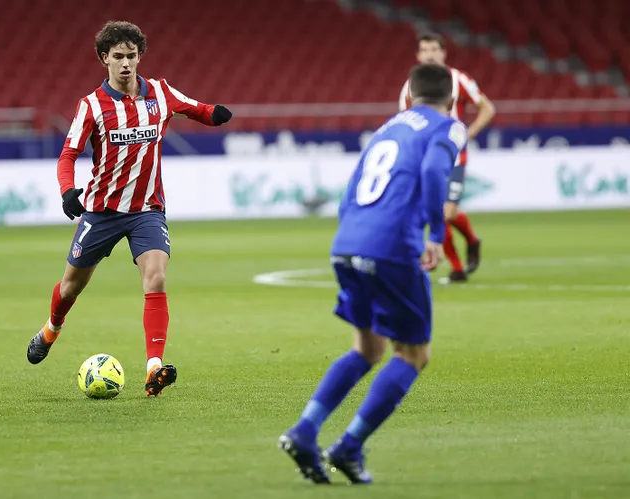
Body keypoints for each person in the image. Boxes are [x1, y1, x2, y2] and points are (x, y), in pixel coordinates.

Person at [278, 63, 467, 484]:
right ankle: (348, 446)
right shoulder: (450, 126)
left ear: (410, 95)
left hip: (347, 243)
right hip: (392, 246)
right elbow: (436, 171)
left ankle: (305, 430)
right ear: (451, 100)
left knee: (368, 348)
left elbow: (351, 189)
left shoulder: (387, 128)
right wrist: (436, 233)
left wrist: (352, 237)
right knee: (413, 353)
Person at [26, 20, 232, 396]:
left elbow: (195, 108)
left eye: (131, 56)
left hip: (147, 210)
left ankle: (154, 367)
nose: (125, 64)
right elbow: (68, 154)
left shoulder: (160, 93)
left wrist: (214, 113)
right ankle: (51, 328)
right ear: (104, 59)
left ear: (140, 58)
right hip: (102, 211)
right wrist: (68, 190)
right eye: (117, 57)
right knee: (71, 287)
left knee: (156, 277)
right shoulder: (91, 106)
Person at [400, 32, 496, 283]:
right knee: (439, 211)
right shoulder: (410, 85)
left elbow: (487, 108)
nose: (430, 54)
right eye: (425, 50)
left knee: (448, 213)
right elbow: (405, 121)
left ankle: (472, 240)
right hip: (424, 158)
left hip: (453, 155)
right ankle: (457, 268)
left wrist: (468, 133)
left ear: (443, 53)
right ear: (418, 56)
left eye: (434, 49)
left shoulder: (458, 79)